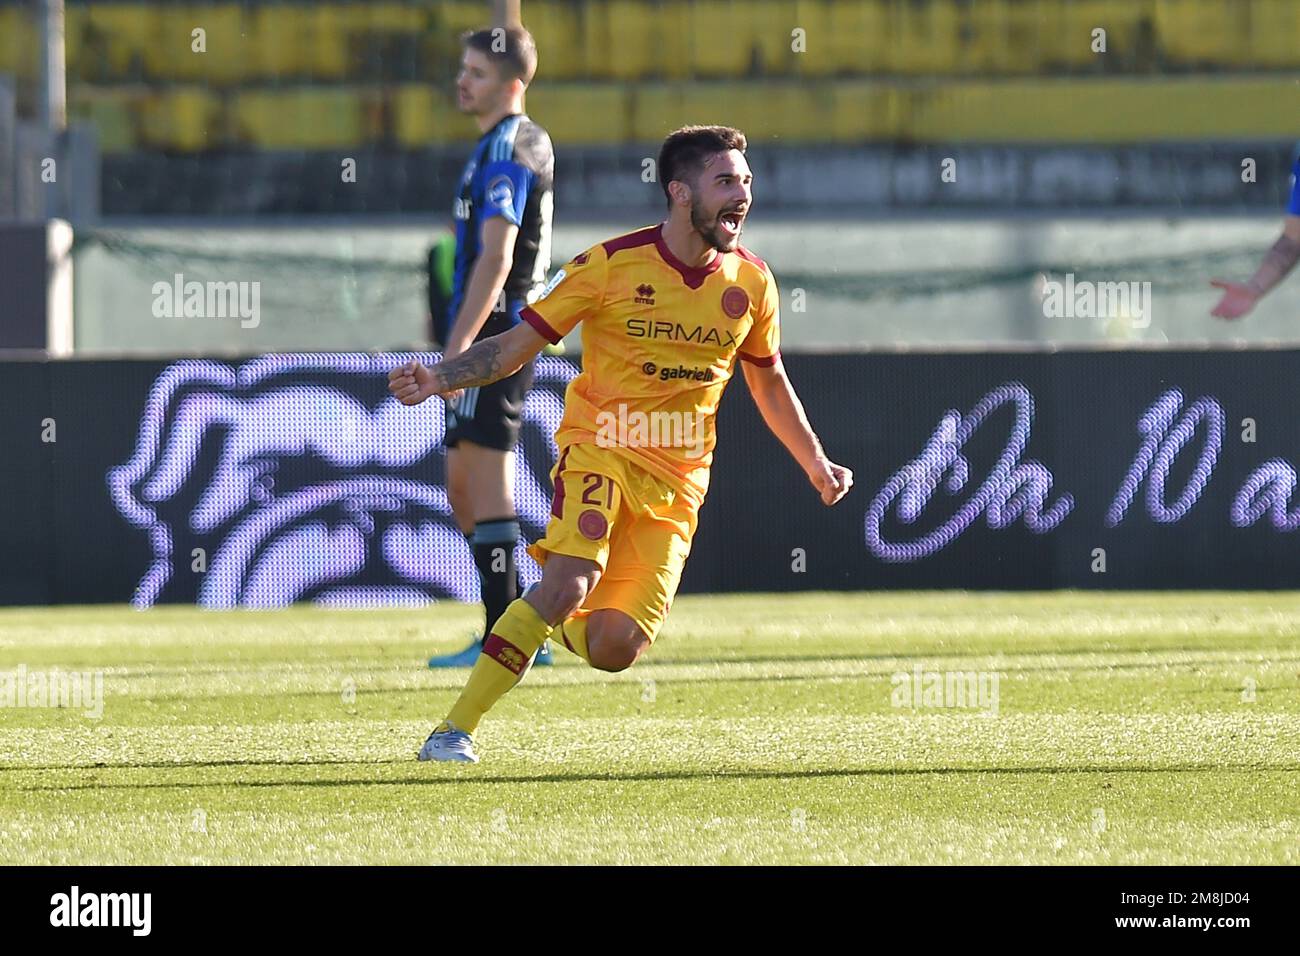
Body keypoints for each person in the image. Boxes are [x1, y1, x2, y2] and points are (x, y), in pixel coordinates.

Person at [390, 126, 854, 763]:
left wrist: (815, 460)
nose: (742, 194)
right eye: (726, 181)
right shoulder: (608, 265)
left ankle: (553, 620)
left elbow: (769, 380)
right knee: (569, 580)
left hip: (677, 481)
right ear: (680, 193)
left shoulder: (753, 285)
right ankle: (453, 731)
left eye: (746, 181)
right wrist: (441, 375)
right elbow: (513, 347)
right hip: (600, 447)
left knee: (614, 647)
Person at [427, 25, 556, 667]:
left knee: (487, 479)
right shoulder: (494, 144)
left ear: (512, 83)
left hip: (500, 336)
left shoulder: (513, 144)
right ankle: (514, 623)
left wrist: (457, 355)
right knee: (462, 483)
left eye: (475, 72)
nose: (462, 81)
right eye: (462, 69)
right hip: (487, 332)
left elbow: (499, 255)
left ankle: (508, 638)